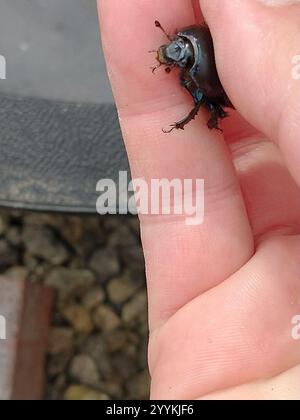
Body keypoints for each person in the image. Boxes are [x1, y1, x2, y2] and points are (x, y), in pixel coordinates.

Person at [98, 0, 300, 399]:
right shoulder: (191, 43)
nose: (170, 53)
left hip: (217, 88)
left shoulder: (199, 71)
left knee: (203, 97)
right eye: (173, 51)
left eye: (175, 53)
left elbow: (202, 87)